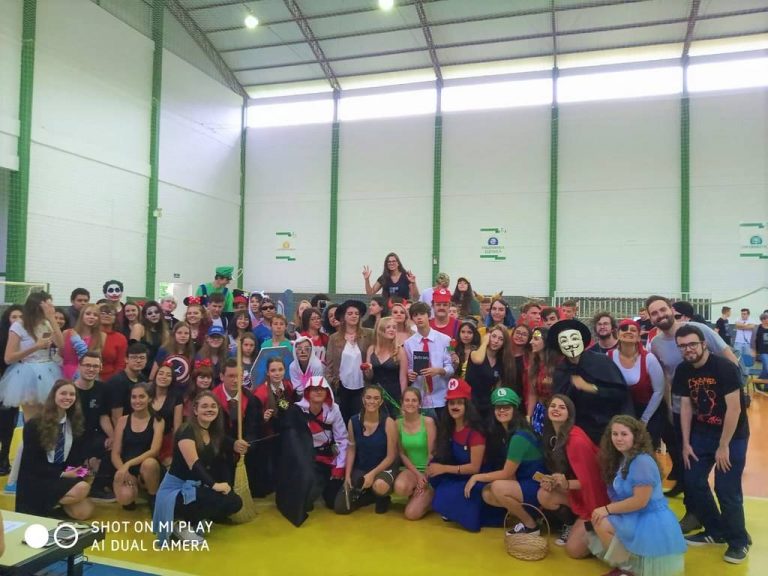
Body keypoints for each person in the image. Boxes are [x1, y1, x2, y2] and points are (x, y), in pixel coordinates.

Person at [644, 294, 739, 529]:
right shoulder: (656, 343)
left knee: (721, 473)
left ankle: (729, 525)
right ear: (650, 318)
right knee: (689, 465)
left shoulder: (698, 330)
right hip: (682, 409)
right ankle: (694, 513)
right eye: (654, 313)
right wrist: (670, 408)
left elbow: (728, 358)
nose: (660, 315)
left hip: (713, 408)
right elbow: (666, 378)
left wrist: (736, 397)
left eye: (662, 310)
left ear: (671, 309)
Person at [673, 324, 750, 564]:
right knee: (694, 481)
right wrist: (686, 443)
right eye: (682, 346)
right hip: (702, 433)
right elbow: (686, 406)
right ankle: (716, 531)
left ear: (704, 344)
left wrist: (723, 446)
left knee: (726, 489)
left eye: (692, 344)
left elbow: (735, 408)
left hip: (732, 436)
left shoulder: (724, 367)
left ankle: (739, 541)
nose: (688, 349)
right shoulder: (683, 370)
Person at [591, 415, 686, 576]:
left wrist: (606, 509)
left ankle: (628, 569)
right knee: (599, 521)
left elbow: (640, 501)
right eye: (615, 434)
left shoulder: (642, 461)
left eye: (624, 434)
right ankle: (625, 567)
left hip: (649, 518)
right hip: (636, 514)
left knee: (602, 520)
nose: (618, 438)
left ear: (635, 436)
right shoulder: (623, 458)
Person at [153, 391, 244, 545]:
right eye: (205, 406)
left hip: (196, 487)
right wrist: (214, 485)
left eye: (213, 406)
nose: (210, 409)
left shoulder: (212, 431)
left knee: (234, 502)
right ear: (195, 410)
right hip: (176, 492)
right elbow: (194, 465)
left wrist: (236, 444)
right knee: (217, 496)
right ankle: (180, 523)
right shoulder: (186, 431)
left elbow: (224, 441)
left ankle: (194, 518)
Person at [538, 394, 610, 558]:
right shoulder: (551, 435)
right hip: (577, 493)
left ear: (569, 413)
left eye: (562, 407)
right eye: (553, 406)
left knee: (574, 551)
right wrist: (553, 481)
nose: (556, 409)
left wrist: (566, 484)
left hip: (594, 499)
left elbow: (591, 481)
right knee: (544, 494)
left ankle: (605, 532)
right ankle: (571, 524)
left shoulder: (576, 440)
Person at [468, 388, 546, 535]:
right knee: (487, 493)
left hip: (536, 484)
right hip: (525, 481)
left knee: (497, 487)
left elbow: (506, 473)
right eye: (498, 407)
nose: (502, 410)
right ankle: (528, 516)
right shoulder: (508, 432)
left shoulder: (519, 436)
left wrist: (476, 477)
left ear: (515, 409)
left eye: (506, 407)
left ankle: (531, 526)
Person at [16, 380, 93, 520]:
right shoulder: (35, 424)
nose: (68, 397)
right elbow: (31, 464)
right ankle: (38, 502)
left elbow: (76, 458)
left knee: (84, 513)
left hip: (61, 476)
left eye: (72, 394)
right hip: (39, 478)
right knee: (82, 488)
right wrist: (63, 474)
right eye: (63, 393)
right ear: (54, 396)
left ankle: (49, 504)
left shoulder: (75, 422)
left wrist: (81, 471)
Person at [547, 319, 631, 445]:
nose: (570, 344)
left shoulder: (601, 362)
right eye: (564, 341)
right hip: (575, 432)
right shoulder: (560, 370)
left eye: (574, 338)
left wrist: (591, 388)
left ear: (581, 340)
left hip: (606, 428)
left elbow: (621, 394)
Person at [427, 378, 488, 531]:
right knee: (436, 478)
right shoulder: (449, 427)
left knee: (443, 497)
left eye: (459, 403)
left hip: (475, 478)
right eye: (451, 403)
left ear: (467, 405)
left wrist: (443, 469)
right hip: (458, 475)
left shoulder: (475, 432)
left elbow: (475, 468)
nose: (455, 406)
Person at [0, 291, 64, 418]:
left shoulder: (46, 323)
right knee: (32, 418)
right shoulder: (19, 326)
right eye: (48, 306)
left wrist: (52, 319)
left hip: (50, 369)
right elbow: (8, 358)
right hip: (27, 372)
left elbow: (61, 344)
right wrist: (36, 346)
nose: (51, 309)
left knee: (50, 415)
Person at [335, 384, 397, 514]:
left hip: (383, 467)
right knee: (341, 508)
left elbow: (391, 456)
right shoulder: (353, 421)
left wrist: (372, 475)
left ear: (381, 402)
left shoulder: (388, 422)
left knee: (380, 486)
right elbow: (351, 449)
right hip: (362, 466)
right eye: (368, 398)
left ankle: (382, 496)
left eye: (376, 398)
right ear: (363, 400)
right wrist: (347, 476)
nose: (372, 401)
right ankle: (368, 496)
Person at [608, 319, 665, 448]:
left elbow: (659, 391)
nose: (628, 332)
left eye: (633, 330)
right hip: (619, 412)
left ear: (639, 337)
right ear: (617, 334)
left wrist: (644, 420)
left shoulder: (649, 359)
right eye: (624, 329)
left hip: (647, 411)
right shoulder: (609, 356)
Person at [296, 376, 348, 510]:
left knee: (334, 502)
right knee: (304, 503)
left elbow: (342, 439)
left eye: (322, 389)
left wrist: (340, 466)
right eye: (314, 389)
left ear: (327, 392)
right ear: (307, 392)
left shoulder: (334, 410)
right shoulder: (297, 410)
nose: (318, 392)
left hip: (328, 459)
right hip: (306, 459)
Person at [111, 382, 164, 511]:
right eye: (134, 397)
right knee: (125, 498)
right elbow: (115, 454)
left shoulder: (158, 421)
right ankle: (132, 492)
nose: (137, 401)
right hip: (128, 468)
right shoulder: (123, 420)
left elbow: (154, 451)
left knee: (149, 464)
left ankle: (153, 496)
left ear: (149, 398)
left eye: (141, 397)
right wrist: (125, 470)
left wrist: (128, 464)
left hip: (148, 467)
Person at [74, 352, 115, 502]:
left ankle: (97, 488)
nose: (91, 369)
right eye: (87, 365)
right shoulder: (70, 390)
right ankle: (77, 479)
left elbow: (103, 416)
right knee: (77, 474)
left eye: (95, 366)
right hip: (72, 438)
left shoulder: (102, 389)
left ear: (100, 368)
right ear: (79, 367)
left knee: (114, 447)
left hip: (92, 435)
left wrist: (113, 437)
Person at [325, 300, 375, 422]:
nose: (354, 316)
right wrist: (334, 382)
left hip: (363, 385)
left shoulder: (369, 334)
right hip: (342, 387)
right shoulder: (334, 338)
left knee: (360, 419)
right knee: (343, 419)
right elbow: (329, 365)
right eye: (350, 313)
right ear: (343, 317)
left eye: (356, 314)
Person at [404, 302, 454, 418]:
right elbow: (409, 367)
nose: (419, 318)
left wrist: (439, 370)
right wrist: (410, 374)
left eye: (422, 314)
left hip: (441, 396)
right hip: (419, 396)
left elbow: (451, 367)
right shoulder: (408, 343)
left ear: (429, 315)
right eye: (415, 315)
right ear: (412, 319)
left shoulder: (445, 339)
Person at [393, 387, 436, 520]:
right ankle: (416, 494)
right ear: (402, 403)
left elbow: (432, 454)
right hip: (412, 470)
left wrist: (424, 477)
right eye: (407, 400)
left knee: (411, 514)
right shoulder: (397, 423)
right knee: (400, 487)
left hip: (430, 471)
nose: (410, 403)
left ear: (419, 403)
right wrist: (418, 475)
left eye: (414, 400)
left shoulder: (428, 422)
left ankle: (431, 496)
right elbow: (402, 453)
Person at [466, 325, 515, 419]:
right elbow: (478, 360)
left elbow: (497, 386)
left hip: (487, 405)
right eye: (493, 336)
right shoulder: (475, 353)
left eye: (501, 339)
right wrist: (484, 342)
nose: (496, 341)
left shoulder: (501, 362)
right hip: (471, 403)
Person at [364, 317, 407, 418]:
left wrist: (404, 400)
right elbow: (369, 377)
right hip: (375, 395)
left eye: (394, 327)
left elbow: (403, 379)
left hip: (394, 394)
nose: (392, 330)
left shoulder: (400, 351)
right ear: (381, 330)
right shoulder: (371, 349)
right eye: (388, 327)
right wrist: (368, 370)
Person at [0, 305, 22, 475]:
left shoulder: (26, 338)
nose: (17, 320)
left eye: (20, 317)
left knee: (8, 424)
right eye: (14, 317)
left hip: (13, 386)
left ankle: (4, 458)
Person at [151, 363, 183, 467]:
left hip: (166, 440)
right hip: (145, 438)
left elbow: (177, 427)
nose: (164, 377)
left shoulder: (177, 396)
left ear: (172, 380)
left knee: (171, 465)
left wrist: (176, 448)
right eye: (161, 373)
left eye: (168, 375)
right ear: (155, 376)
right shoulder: (146, 393)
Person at [109, 342, 148, 427]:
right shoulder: (117, 382)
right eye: (134, 357)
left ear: (146, 360)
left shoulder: (143, 379)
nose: (138, 361)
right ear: (126, 359)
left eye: (142, 358)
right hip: (120, 427)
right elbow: (116, 418)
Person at [60, 303, 102, 381]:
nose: (91, 317)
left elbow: (93, 360)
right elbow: (61, 354)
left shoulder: (100, 336)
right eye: (88, 314)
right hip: (64, 374)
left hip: (84, 377)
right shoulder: (67, 333)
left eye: (95, 315)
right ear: (82, 315)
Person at [526, 326, 555, 434]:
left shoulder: (557, 364)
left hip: (555, 410)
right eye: (532, 338)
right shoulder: (534, 366)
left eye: (536, 339)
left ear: (546, 342)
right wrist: (529, 415)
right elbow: (532, 393)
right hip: (540, 409)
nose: (531, 342)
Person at [131, 300, 169, 377]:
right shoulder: (139, 328)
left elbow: (165, 355)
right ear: (145, 316)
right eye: (150, 313)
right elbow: (132, 351)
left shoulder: (165, 333)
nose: (153, 315)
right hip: (140, 371)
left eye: (156, 312)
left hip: (157, 372)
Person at [99, 304, 128, 383]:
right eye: (103, 313)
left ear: (115, 318)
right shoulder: (90, 335)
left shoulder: (120, 338)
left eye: (110, 313)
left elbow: (120, 364)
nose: (106, 316)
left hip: (111, 379)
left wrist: (113, 380)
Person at [751, 312, 768, 381]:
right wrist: (753, 350)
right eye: (766, 319)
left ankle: (761, 382)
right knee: (767, 368)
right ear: (763, 320)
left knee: (765, 369)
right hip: (762, 351)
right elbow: (753, 340)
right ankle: (759, 381)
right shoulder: (757, 328)